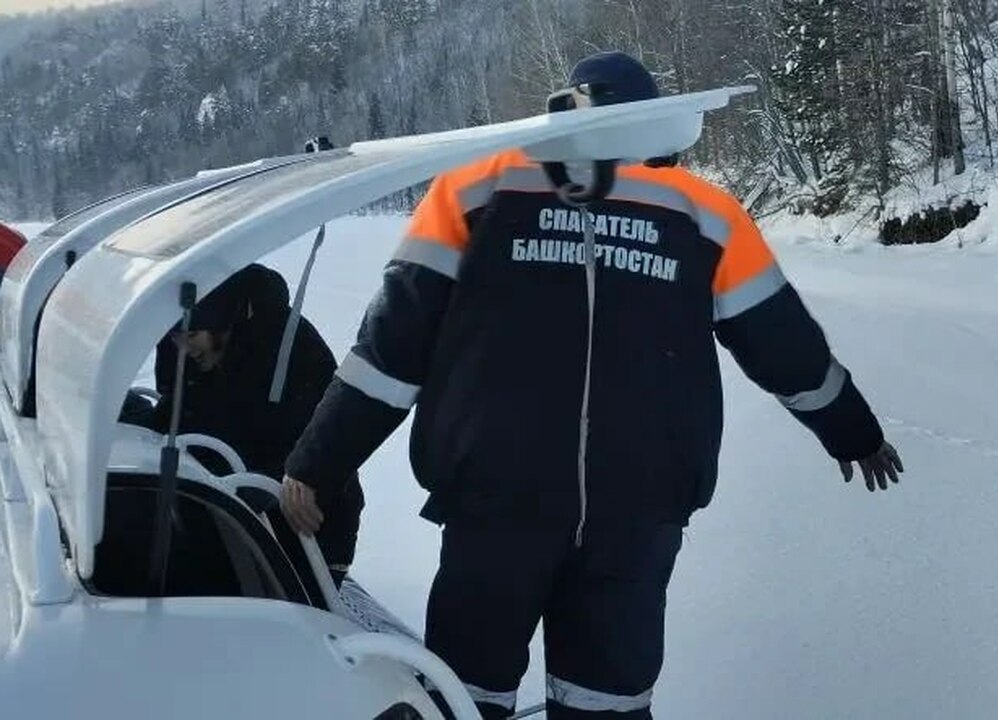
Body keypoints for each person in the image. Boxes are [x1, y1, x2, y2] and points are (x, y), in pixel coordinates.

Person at [280, 50, 902, 719]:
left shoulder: (474, 192)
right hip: (627, 510)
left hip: (503, 505)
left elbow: (388, 354)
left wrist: (319, 463)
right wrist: (852, 431)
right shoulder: (702, 214)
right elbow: (787, 348)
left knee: (465, 701)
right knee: (597, 704)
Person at [142, 263, 364, 584]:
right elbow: (180, 414)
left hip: (307, 524)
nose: (183, 347)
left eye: (191, 335)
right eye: (175, 338)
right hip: (227, 515)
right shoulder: (193, 357)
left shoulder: (295, 351)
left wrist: (271, 481)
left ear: (223, 323)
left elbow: (330, 440)